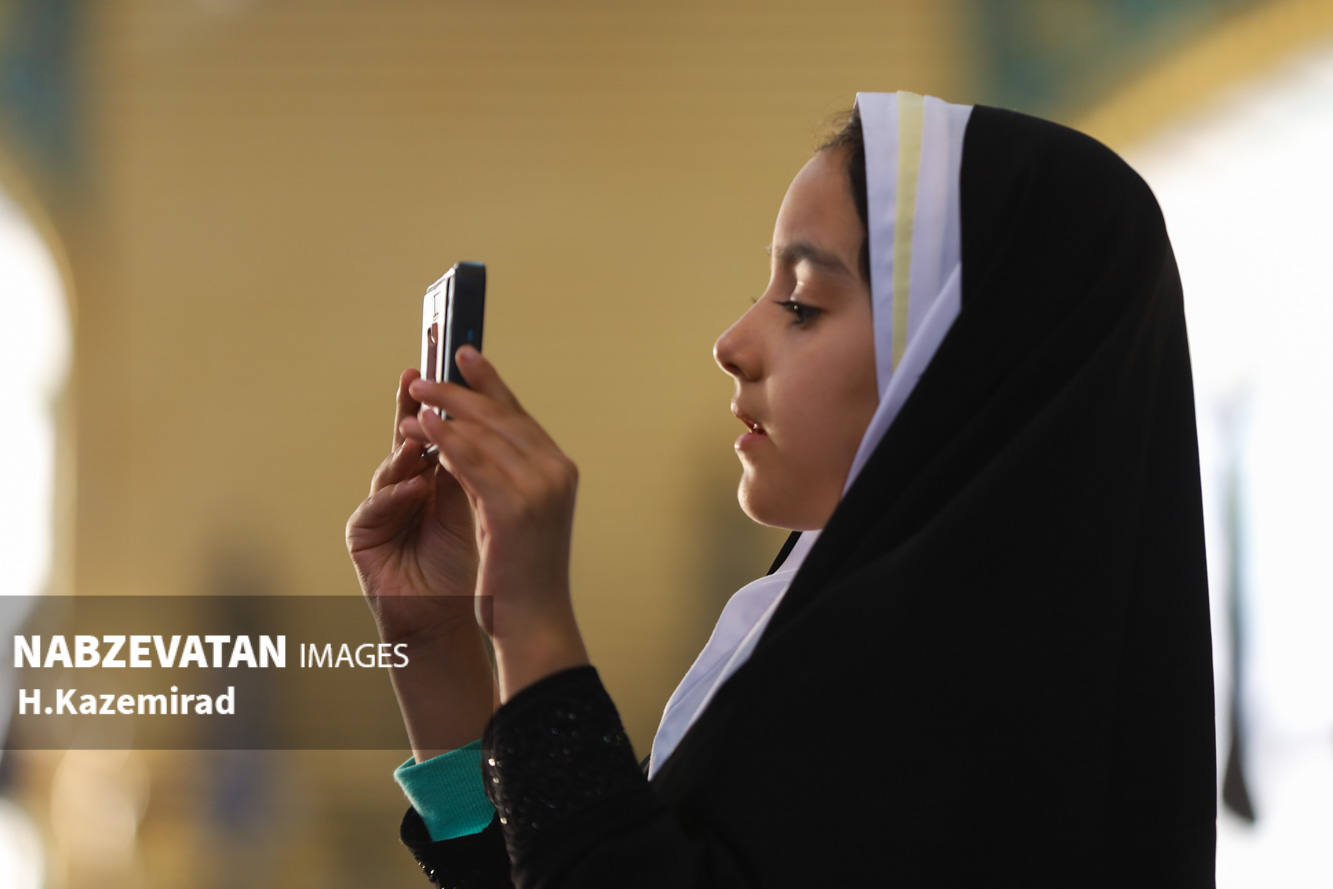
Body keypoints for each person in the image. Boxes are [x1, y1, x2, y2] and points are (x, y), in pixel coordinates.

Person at [346, 91, 1217, 888]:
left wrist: (534, 619)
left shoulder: (985, 706)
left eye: (801, 302)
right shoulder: (839, 635)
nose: (730, 342)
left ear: (964, 368)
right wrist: (437, 644)